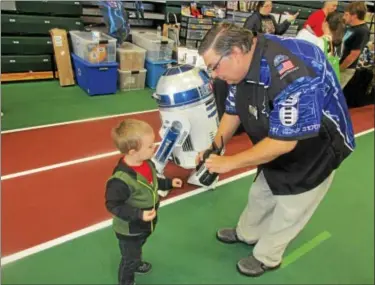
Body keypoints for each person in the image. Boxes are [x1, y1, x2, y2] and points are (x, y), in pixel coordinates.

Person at [197, 22, 355, 277]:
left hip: (317, 145)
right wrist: (215, 147)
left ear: (236, 52)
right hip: (277, 135)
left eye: (214, 66)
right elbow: (235, 109)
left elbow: (285, 143)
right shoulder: (241, 66)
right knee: (261, 192)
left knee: (291, 207)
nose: (213, 75)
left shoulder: (291, 72)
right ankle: (247, 234)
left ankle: (267, 257)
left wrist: (230, 163)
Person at [105, 119, 183, 285]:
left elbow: (152, 182)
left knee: (137, 248)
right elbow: (113, 205)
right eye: (149, 146)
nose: (154, 147)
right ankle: (126, 280)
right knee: (129, 258)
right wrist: (138, 214)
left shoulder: (147, 164)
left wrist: (168, 183)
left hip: (145, 224)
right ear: (133, 152)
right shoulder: (120, 181)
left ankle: (136, 260)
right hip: (130, 229)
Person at [340, 1, 370, 88]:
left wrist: (340, 68)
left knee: (332, 94)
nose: (344, 17)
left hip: (345, 69)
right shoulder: (351, 27)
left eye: (346, 14)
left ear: (354, 16)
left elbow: (354, 55)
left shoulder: (362, 31)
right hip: (338, 65)